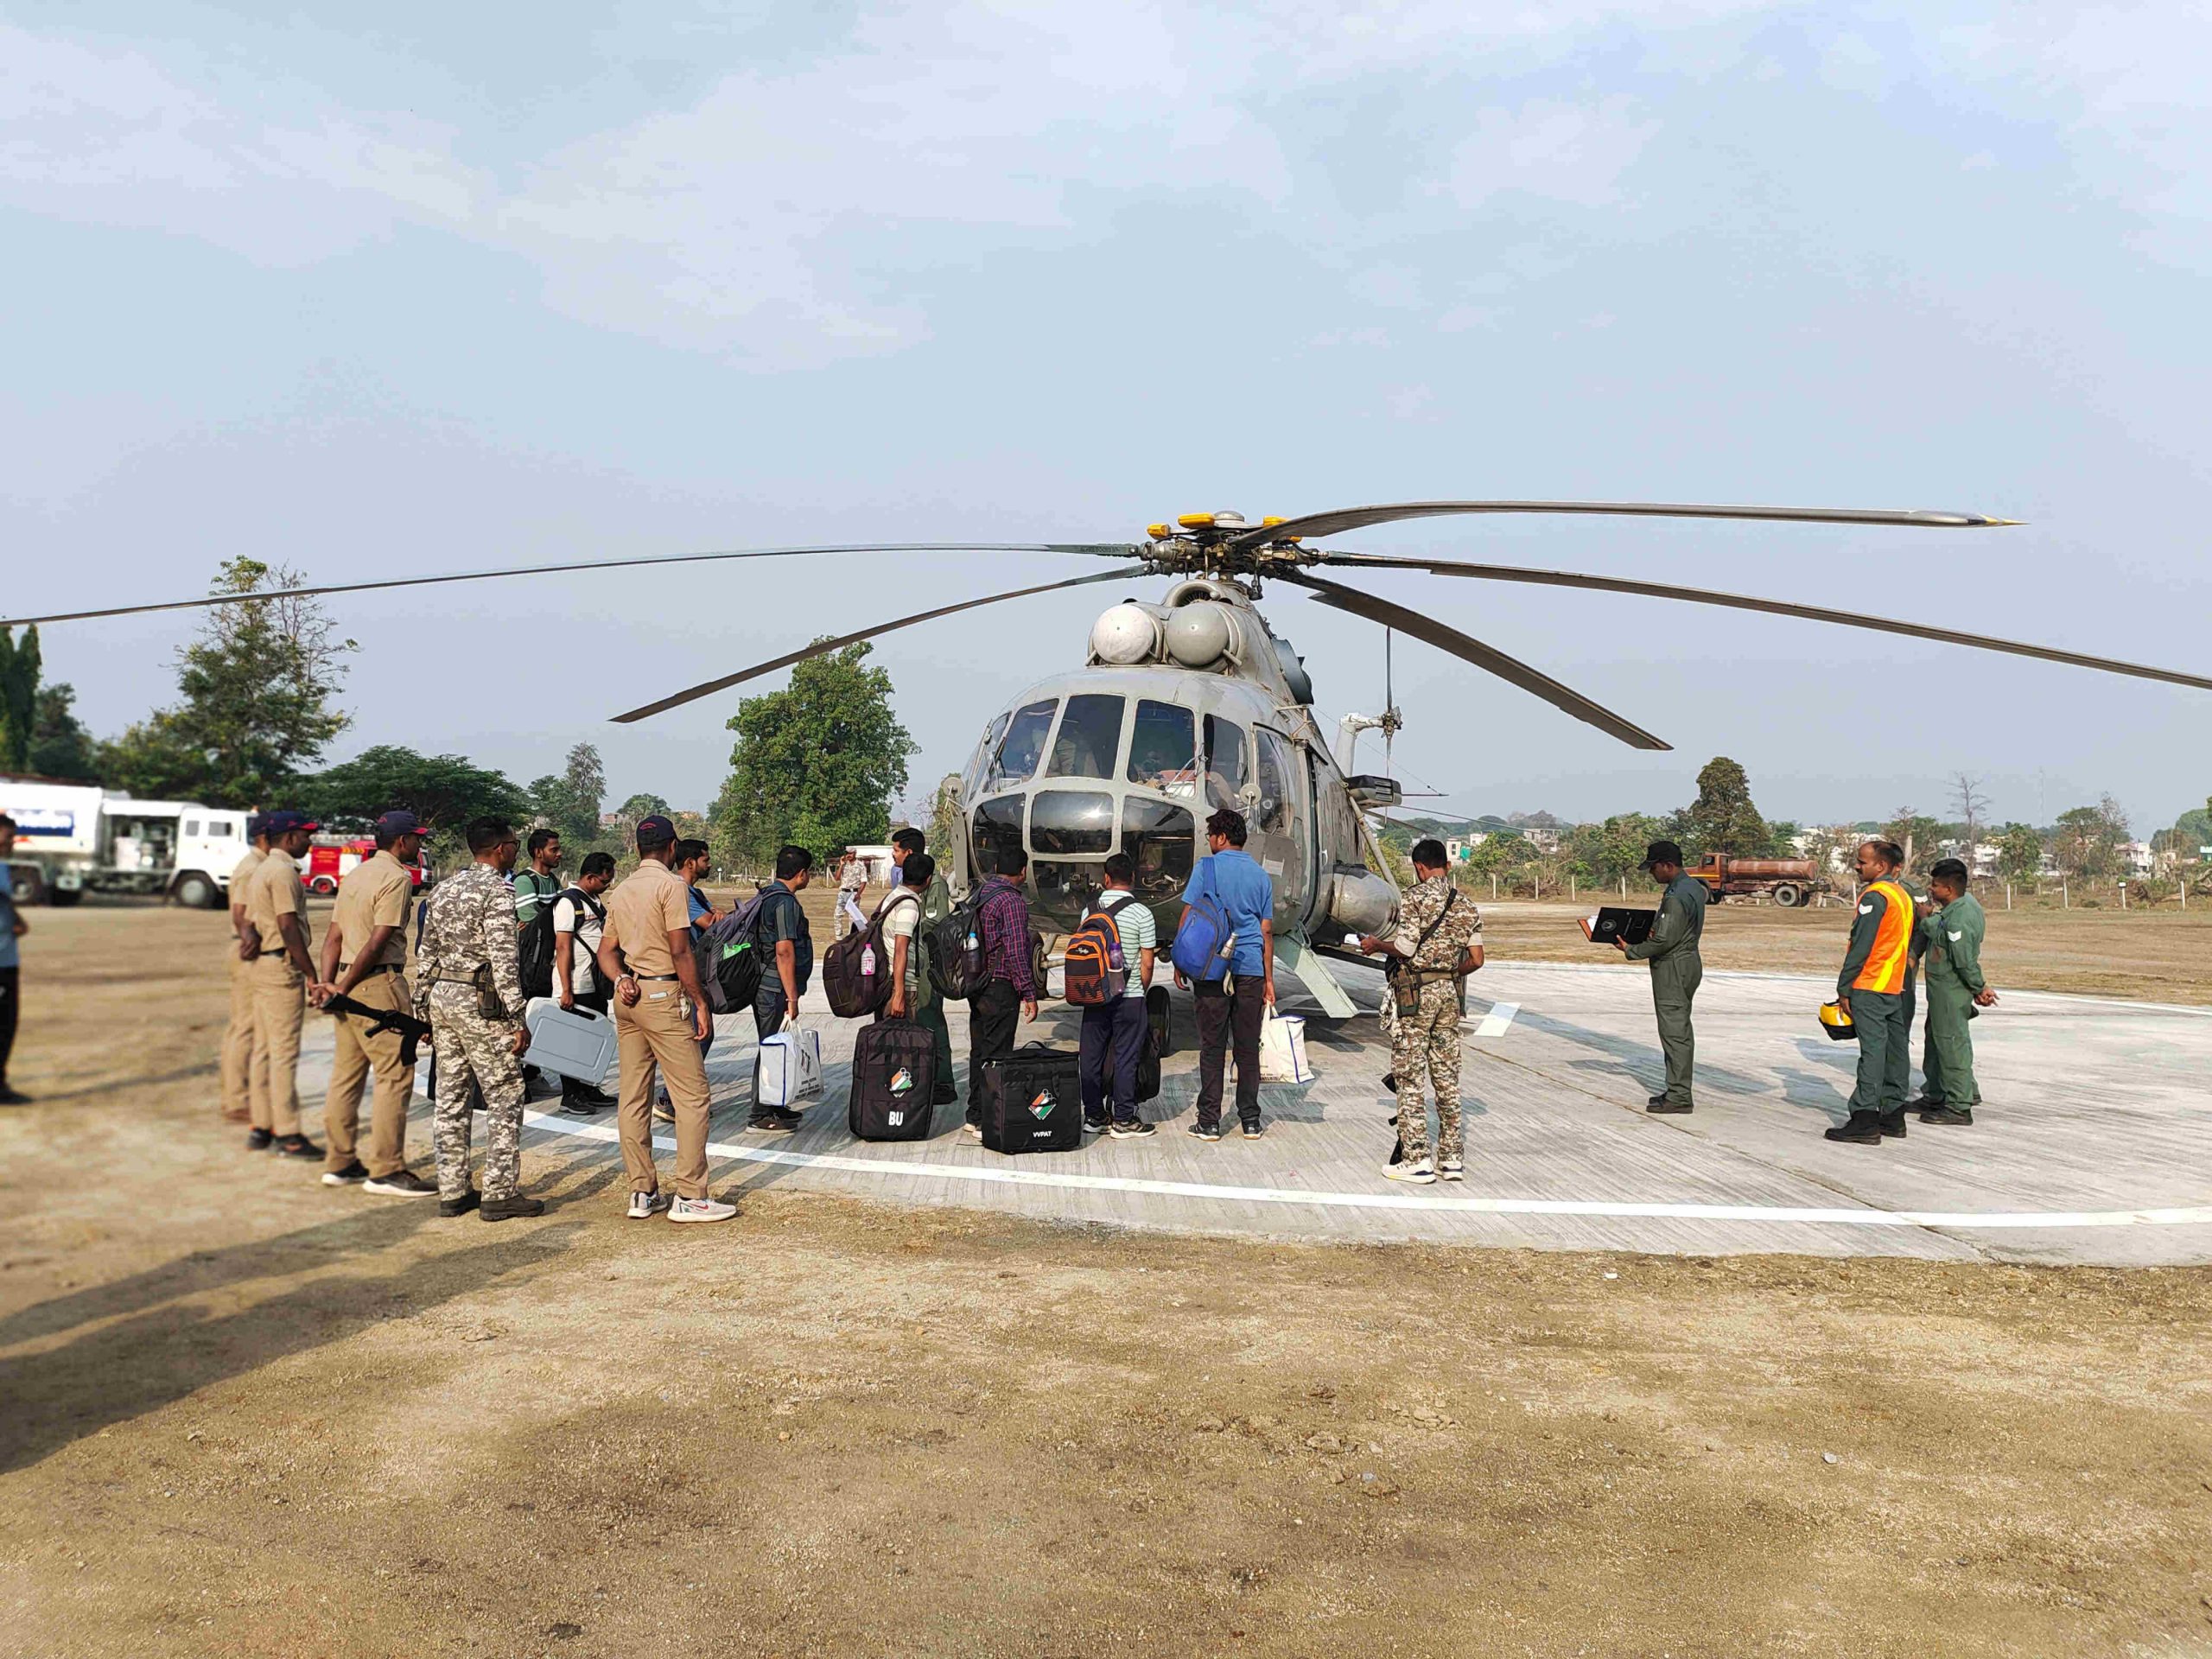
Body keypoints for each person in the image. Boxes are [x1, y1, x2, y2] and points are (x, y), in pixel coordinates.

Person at [596, 815, 735, 1222]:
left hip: (630, 995)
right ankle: (690, 1194)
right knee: (692, 1096)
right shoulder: (671, 886)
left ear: (637, 848)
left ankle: (642, 1191)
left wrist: (621, 977)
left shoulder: (621, 891)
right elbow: (680, 951)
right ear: (673, 848)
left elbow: (607, 950)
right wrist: (699, 1000)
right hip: (663, 993)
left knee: (634, 1096)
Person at [413, 817, 544, 1220]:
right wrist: (518, 1019)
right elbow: (505, 961)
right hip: (481, 1003)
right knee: (505, 1094)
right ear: (500, 849)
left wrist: (421, 1007)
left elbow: (426, 951)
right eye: (514, 844)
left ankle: (453, 1190)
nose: (516, 851)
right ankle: (499, 1192)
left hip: (443, 999)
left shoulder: (444, 888)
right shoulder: (497, 892)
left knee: (451, 1097)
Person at [310, 810, 436, 1194]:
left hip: (346, 983)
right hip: (376, 983)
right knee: (394, 1074)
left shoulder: (358, 875)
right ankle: (386, 1169)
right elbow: (379, 939)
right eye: (416, 838)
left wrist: (327, 984)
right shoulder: (396, 877)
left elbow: (334, 936)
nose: (419, 845)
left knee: (346, 1075)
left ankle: (340, 1160)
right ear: (402, 842)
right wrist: (345, 986)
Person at [1362, 838, 1483, 1182]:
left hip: (1416, 995)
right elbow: (1477, 960)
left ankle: (1416, 1159)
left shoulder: (1414, 897)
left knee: (1410, 1078)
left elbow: (1404, 946)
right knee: (1447, 1078)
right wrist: (1447, 975)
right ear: (1447, 864)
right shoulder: (1467, 905)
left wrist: (1375, 944)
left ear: (1419, 867)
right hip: (1449, 994)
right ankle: (1451, 1158)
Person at [1175, 808, 1274, 1141]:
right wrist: (1269, 979)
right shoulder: (1262, 876)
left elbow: (1190, 915)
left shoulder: (1206, 867)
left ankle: (1209, 1122)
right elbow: (1267, 932)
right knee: (1247, 1048)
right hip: (1250, 968)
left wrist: (1179, 959)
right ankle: (1250, 1120)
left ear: (1220, 837)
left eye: (1209, 836)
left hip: (1211, 967)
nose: (1209, 842)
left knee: (1212, 1046)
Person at [241, 810, 325, 1160]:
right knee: (283, 1054)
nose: (310, 842)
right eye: (306, 835)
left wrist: (250, 940)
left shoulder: (261, 869)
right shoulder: (283, 872)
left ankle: (261, 1126)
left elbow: (247, 921)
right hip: (281, 968)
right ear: (290, 837)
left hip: (264, 965)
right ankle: (288, 1134)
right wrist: (310, 974)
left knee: (262, 1050)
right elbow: (288, 926)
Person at [1828, 840, 1917, 1145]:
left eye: (1862, 862)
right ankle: (1893, 1115)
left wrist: (1844, 987)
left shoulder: (1875, 896)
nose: (1857, 866)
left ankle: (1865, 1116)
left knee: (1873, 1053)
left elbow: (1862, 946)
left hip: (1870, 986)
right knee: (1897, 1050)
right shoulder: (1902, 895)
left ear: (1880, 866)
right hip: (1895, 985)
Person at [1615, 838, 1707, 1115]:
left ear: (1668, 865)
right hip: (1688, 962)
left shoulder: (1676, 895)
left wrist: (1631, 950)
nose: (1651, 873)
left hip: (1673, 967)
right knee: (1678, 1029)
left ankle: (1679, 1096)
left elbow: (1664, 940)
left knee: (1674, 1032)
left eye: (1653, 868)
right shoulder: (1693, 887)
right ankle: (1676, 1088)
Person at [1077, 851, 1159, 1139]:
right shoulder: (1143, 914)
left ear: (1106, 879)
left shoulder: (1089, 911)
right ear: (1133, 879)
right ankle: (1123, 1118)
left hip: (1094, 994)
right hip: (1130, 995)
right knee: (1126, 1056)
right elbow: (1147, 961)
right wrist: (1140, 987)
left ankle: (1094, 1115)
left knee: (1090, 1055)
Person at [963, 835, 1038, 1140]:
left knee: (979, 1050)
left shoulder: (978, 895)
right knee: (997, 1053)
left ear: (995, 867)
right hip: (1000, 985)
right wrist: (1029, 992)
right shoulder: (1012, 901)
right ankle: (988, 1118)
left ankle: (975, 1113)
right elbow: (1018, 950)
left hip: (976, 983)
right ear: (1022, 872)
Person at [1915, 857, 1997, 1125]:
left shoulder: (1960, 916)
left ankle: (1959, 1106)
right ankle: (1941, 1093)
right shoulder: (1960, 906)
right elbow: (1941, 929)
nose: (1931, 889)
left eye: (1935, 886)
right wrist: (1929, 919)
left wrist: (1978, 986)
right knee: (1938, 1041)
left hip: (1950, 988)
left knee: (1951, 1044)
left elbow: (1962, 958)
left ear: (1949, 889)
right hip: (1943, 989)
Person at [747, 844, 815, 1134]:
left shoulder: (766, 895)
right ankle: (760, 1113)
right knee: (771, 1048)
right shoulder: (785, 903)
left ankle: (775, 1105)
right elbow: (784, 951)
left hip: (766, 983)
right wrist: (792, 997)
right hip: (775, 988)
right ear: (802, 874)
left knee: (774, 1046)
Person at [888, 827, 957, 1106]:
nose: (893, 854)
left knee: (931, 1022)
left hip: (927, 965)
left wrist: (908, 920)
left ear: (910, 853)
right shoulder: (904, 886)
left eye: (896, 850)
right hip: (915, 965)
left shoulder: (935, 885)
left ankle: (943, 1082)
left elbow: (936, 923)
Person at [552, 851, 619, 1113]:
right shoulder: (568, 902)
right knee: (572, 1041)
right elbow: (562, 946)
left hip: (594, 983)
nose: (608, 885)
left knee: (592, 1037)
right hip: (576, 984)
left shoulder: (594, 899)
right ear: (590, 877)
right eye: (605, 880)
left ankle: (588, 1087)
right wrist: (566, 988)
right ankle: (571, 1095)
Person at [215, 813, 270, 1124]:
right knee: (245, 1026)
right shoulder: (253, 869)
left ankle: (240, 1093)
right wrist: (251, 941)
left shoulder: (255, 865)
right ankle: (237, 1099)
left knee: (245, 1025)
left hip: (248, 947)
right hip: (250, 950)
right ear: (265, 837)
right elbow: (240, 912)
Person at [512, 828, 563, 1094]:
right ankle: (525, 1076)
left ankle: (533, 1072)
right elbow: (533, 920)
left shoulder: (553, 880)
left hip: (547, 960)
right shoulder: (525, 881)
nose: (559, 853)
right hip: (529, 963)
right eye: (554, 849)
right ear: (537, 852)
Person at [0, 814, 25, 1103]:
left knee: (7, 1023)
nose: (10, 842)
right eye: (7, 837)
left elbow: (4, 902)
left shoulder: (3, 869)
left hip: (8, 958)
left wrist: (18, 921)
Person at [834, 850, 867, 941]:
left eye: (851, 853)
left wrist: (859, 894)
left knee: (853, 917)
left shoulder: (860, 865)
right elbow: (837, 878)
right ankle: (839, 938)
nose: (849, 855)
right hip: (843, 892)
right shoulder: (844, 865)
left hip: (853, 893)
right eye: (847, 853)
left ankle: (851, 937)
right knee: (837, 915)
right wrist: (841, 865)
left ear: (855, 853)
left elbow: (864, 881)